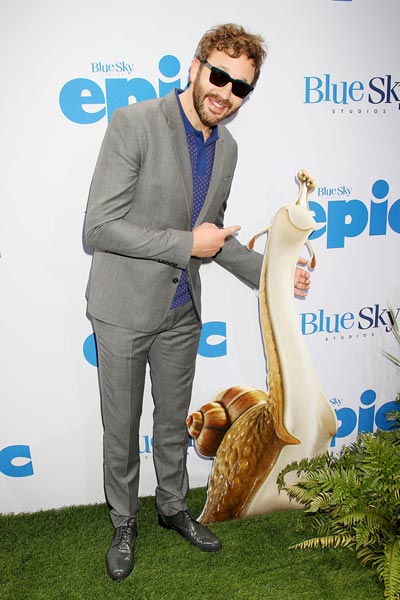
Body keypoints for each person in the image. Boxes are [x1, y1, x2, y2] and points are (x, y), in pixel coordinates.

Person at [84, 23, 310, 581]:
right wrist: (187, 243)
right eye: (219, 76)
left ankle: (172, 507)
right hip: (123, 308)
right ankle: (123, 521)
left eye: (240, 87)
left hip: (182, 310)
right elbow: (99, 228)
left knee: (171, 424)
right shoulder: (135, 123)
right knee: (121, 428)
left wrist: (275, 274)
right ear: (195, 67)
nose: (226, 93)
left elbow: (215, 236)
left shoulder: (226, 148)